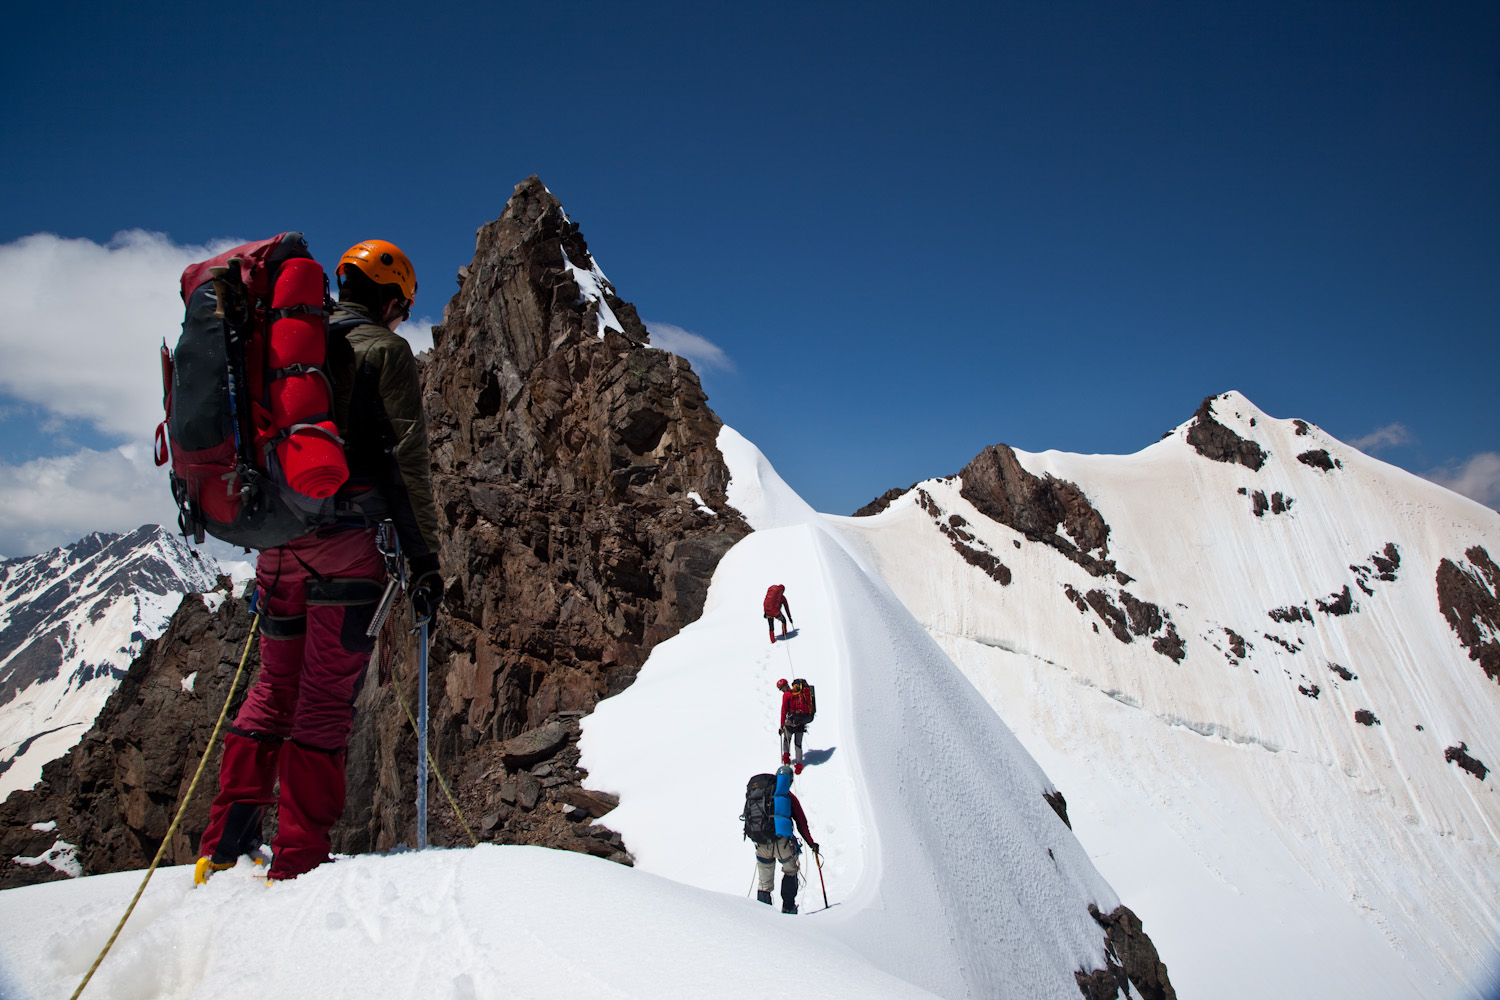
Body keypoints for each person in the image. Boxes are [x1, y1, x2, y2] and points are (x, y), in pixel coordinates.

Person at [196, 239, 443, 884]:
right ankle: (299, 859)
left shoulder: (282, 342)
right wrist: (425, 562)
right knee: (325, 702)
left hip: (277, 545)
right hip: (347, 550)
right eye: (404, 308)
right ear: (391, 300)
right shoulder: (385, 352)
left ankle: (223, 844)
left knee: (272, 690)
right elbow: (407, 461)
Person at [756, 778, 818, 914]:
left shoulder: (762, 795)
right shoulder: (788, 797)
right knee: (791, 871)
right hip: (782, 844)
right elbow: (802, 824)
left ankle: (762, 914)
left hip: (761, 843)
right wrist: (811, 843)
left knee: (764, 883)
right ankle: (788, 908)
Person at [778, 678, 811, 773]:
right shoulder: (798, 693)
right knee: (798, 744)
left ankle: (786, 759)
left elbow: (783, 711)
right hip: (800, 722)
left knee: (786, 740)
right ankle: (799, 764)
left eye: (781, 689)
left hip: (790, 723)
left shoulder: (786, 695)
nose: (782, 690)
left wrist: (781, 725)